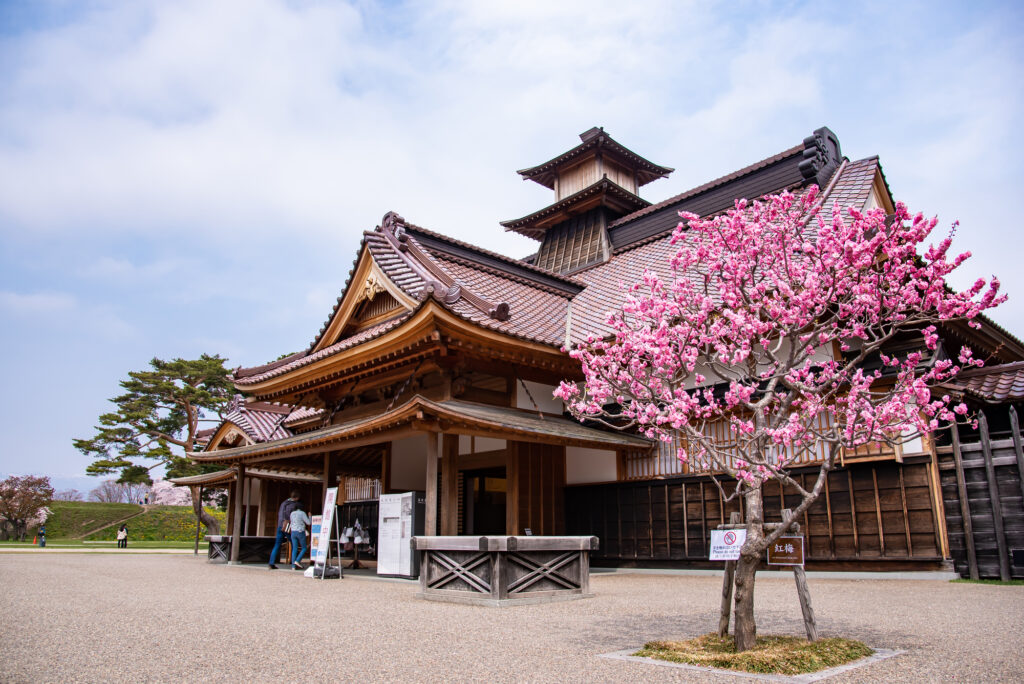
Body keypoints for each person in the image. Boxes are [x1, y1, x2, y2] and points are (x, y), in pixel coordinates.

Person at [268, 490, 300, 569]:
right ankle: (294, 563)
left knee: (277, 544)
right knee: (294, 543)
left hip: (280, 525)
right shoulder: (293, 505)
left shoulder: (283, 503)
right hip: (287, 526)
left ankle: (271, 563)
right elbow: (293, 517)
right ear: (296, 498)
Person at [289, 501, 311, 570]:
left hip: (293, 532)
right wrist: (310, 516)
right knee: (304, 548)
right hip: (300, 531)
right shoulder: (302, 513)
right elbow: (308, 523)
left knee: (294, 548)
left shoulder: (292, 513)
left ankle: (293, 566)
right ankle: (297, 560)